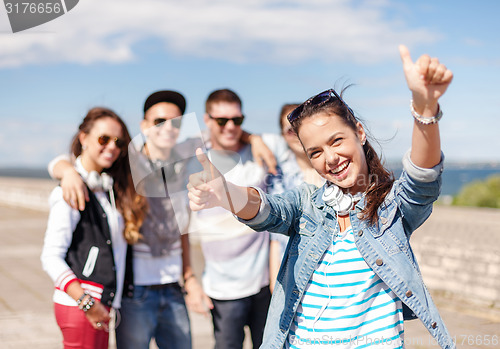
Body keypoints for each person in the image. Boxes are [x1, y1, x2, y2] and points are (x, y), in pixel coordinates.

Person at [187, 46, 456, 348]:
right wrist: (227, 193)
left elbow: (422, 176)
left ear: (360, 132)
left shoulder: (391, 206)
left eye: (337, 140)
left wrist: (425, 109)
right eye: (315, 152)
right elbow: (266, 210)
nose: (330, 158)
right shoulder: (306, 205)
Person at [48, 90, 277, 349]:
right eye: (159, 121)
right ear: (144, 126)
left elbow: (222, 131)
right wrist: (66, 171)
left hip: (173, 288)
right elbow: (82, 160)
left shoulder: (187, 155)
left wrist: (254, 138)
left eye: (175, 122)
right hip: (135, 293)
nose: (168, 128)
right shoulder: (126, 162)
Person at [41, 107, 147, 349]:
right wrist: (87, 303)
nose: (112, 147)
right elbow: (50, 256)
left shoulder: (106, 187)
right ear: (83, 138)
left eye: (118, 142)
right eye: (103, 139)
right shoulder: (69, 191)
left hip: (100, 304)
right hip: (82, 305)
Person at [187, 88, 272, 349]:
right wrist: (190, 281)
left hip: (265, 285)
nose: (230, 127)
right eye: (222, 120)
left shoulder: (260, 154)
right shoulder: (194, 161)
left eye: (237, 120)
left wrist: (254, 138)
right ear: (207, 119)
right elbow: (178, 231)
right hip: (222, 291)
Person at [263, 104, 324, 293]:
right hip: (292, 276)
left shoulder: (333, 167)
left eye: (302, 125)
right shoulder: (278, 175)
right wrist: (275, 282)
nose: (297, 134)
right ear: (282, 135)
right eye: (291, 130)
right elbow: (275, 236)